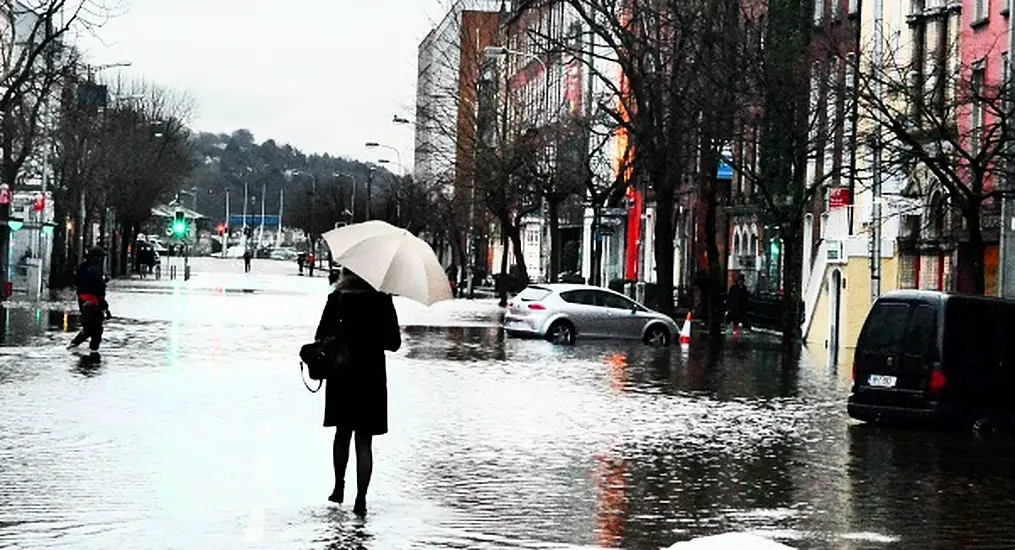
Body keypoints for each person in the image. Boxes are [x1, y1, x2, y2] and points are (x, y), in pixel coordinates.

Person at [315, 269, 401, 516]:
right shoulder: (382, 299)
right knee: (364, 441)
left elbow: (321, 335)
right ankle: (361, 498)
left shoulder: (338, 297)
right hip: (370, 377)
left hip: (341, 373)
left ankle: (338, 486)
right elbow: (393, 343)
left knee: (342, 434)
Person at [68, 247, 111, 358]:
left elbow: (75, 281)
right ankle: (92, 352)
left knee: (90, 326)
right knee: (95, 327)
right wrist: (102, 302)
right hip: (92, 301)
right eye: (101, 257)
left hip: (83, 299)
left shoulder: (83, 267)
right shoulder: (93, 269)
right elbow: (99, 287)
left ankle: (76, 345)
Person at [726, 273, 751, 340]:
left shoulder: (744, 289)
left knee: (742, 321)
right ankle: (735, 333)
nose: (740, 282)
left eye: (741, 280)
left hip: (741, 309)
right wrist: (729, 307)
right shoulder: (734, 288)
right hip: (734, 308)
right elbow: (729, 297)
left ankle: (738, 333)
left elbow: (746, 299)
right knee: (734, 321)